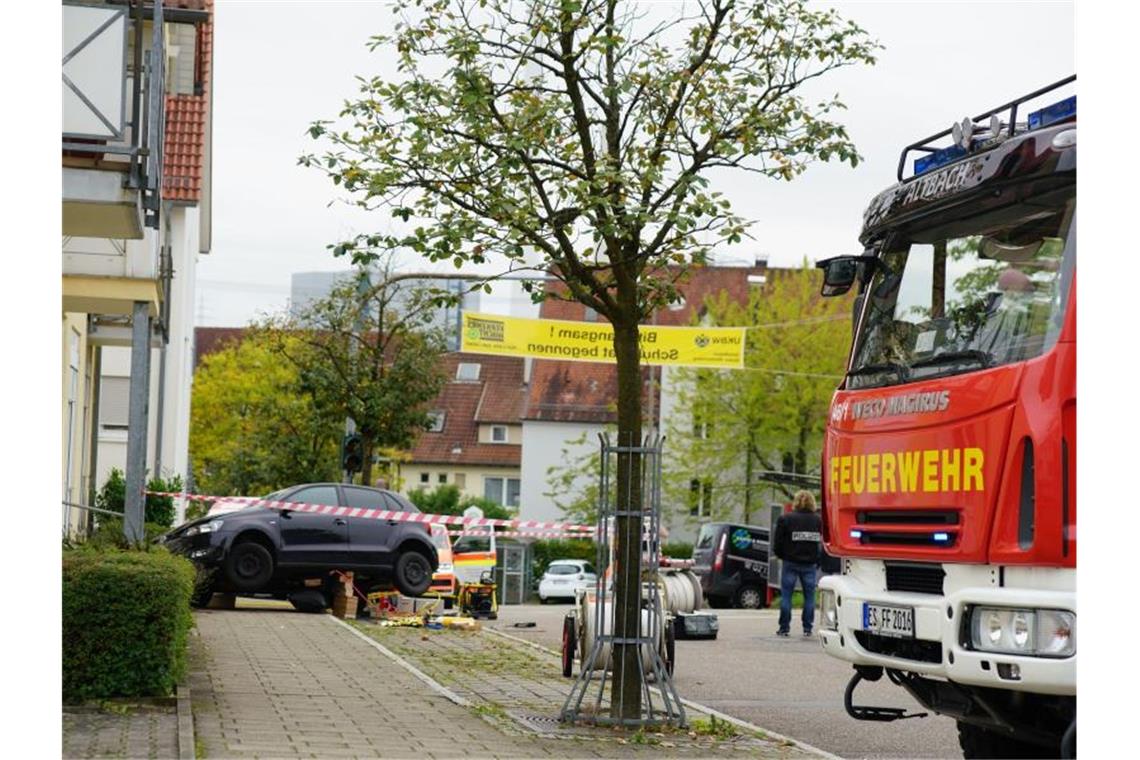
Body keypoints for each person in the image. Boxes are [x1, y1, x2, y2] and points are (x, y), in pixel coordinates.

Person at [772, 490, 823, 637]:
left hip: (790, 562)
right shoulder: (817, 521)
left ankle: (784, 627)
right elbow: (821, 543)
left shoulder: (786, 519)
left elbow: (778, 543)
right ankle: (807, 628)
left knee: (786, 596)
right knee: (810, 597)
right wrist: (817, 560)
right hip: (810, 564)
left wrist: (782, 555)